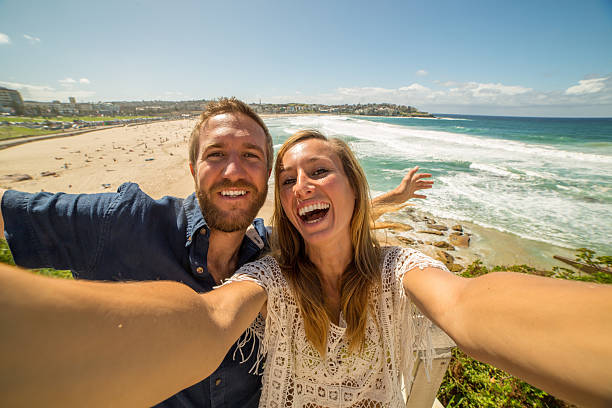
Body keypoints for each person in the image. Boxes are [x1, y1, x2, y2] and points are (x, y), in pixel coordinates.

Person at [1, 130, 611, 408]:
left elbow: (465, 307)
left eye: (318, 171)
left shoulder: (399, 268)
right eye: (287, 179)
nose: (299, 187)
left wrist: (392, 201)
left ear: (353, 187)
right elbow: (212, 319)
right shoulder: (269, 272)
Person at [0, 98, 432, 408]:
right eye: (216, 155)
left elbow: (327, 220)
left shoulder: (269, 249)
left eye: (250, 156)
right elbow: (14, 213)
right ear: (193, 170)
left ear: (265, 178)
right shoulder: (124, 220)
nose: (233, 170)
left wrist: (391, 197)